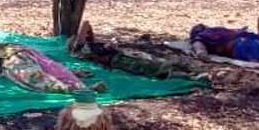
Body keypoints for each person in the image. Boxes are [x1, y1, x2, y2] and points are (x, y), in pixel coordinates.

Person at [67, 21, 210, 80]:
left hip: (120, 57)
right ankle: (192, 76)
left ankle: (193, 73)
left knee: (158, 65)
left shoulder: (88, 46)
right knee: (154, 68)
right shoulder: (81, 49)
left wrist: (94, 39)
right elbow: (85, 24)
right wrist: (106, 46)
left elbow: (87, 29)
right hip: (117, 61)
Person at [0, 42, 106, 94]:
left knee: (37, 79)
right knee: (42, 76)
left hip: (16, 58)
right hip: (21, 57)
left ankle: (81, 89)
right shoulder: (5, 50)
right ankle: (80, 88)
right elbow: (49, 67)